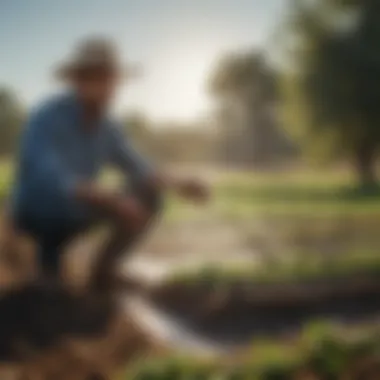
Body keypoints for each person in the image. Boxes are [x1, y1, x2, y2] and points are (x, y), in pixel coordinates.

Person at [10, 37, 208, 290]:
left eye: (112, 80)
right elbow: (52, 179)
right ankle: (48, 264)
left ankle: (103, 272)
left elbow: (139, 167)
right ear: (79, 81)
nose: (110, 88)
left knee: (148, 195)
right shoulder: (46, 117)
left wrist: (180, 183)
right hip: (37, 210)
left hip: (77, 207)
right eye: (101, 79)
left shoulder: (108, 126)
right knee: (54, 206)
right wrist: (112, 199)